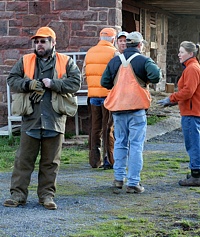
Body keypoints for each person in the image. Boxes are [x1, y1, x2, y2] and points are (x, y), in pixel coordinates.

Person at [4, 26, 81, 209]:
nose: (39, 45)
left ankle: (46, 196)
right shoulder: (26, 60)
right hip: (31, 119)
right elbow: (11, 79)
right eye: (36, 41)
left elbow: (76, 83)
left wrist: (53, 83)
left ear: (53, 43)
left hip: (54, 120)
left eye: (43, 41)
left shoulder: (66, 61)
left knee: (50, 163)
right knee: (23, 161)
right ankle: (17, 196)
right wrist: (28, 84)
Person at [101, 31, 162, 193]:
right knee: (135, 145)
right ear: (140, 45)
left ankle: (118, 179)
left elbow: (104, 82)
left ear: (126, 44)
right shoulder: (144, 60)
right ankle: (133, 182)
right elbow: (156, 76)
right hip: (137, 108)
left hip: (118, 109)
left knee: (120, 142)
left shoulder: (114, 61)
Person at [157, 41, 200, 187]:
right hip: (192, 110)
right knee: (195, 142)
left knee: (193, 144)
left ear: (190, 53)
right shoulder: (193, 67)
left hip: (191, 112)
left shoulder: (192, 68)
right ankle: (196, 172)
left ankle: (196, 175)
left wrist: (171, 98)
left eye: (181, 52)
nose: (179, 55)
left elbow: (188, 91)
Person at [82, 28, 118, 169]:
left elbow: (84, 73)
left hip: (92, 95)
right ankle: (110, 160)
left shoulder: (90, 52)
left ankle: (94, 161)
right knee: (108, 128)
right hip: (108, 95)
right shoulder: (113, 53)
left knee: (94, 128)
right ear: (113, 39)